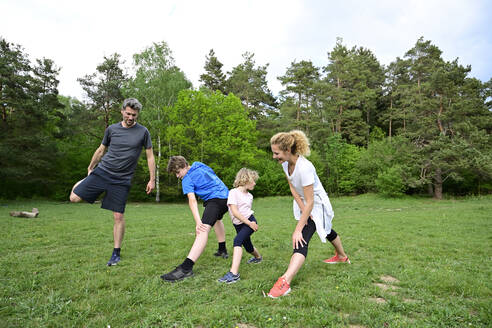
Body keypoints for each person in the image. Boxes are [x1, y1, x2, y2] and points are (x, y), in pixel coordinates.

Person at [69, 98, 155, 266]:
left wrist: (152, 180)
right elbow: (101, 150)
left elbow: (150, 156)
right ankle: (86, 180)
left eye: (134, 115)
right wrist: (90, 167)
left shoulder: (143, 132)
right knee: (74, 198)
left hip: (122, 180)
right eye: (128, 114)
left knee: (118, 216)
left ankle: (116, 253)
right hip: (102, 172)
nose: (131, 117)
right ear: (122, 111)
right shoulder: (112, 129)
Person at [267, 130, 350, 298]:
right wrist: (302, 207)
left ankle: (285, 281)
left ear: (287, 150)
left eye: (276, 153)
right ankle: (342, 256)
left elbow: (311, 201)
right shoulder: (285, 164)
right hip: (304, 202)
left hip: (317, 203)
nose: (274, 156)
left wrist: (298, 227)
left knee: (301, 236)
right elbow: (292, 186)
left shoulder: (305, 168)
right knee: (325, 229)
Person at [161, 156, 229, 282]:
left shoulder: (186, 179)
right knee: (217, 220)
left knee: (203, 230)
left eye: (177, 172)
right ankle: (222, 250)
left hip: (215, 200)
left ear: (184, 166)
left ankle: (186, 269)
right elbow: (213, 174)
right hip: (227, 197)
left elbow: (192, 201)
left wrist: (198, 222)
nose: (177, 176)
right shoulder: (199, 164)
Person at [218, 168, 262, 284]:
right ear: (246, 180)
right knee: (248, 247)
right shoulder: (233, 193)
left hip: (250, 222)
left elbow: (245, 212)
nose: (255, 183)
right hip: (241, 224)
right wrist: (249, 223)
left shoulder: (250, 196)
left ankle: (233, 274)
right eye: (253, 181)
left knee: (237, 241)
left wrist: (250, 223)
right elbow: (235, 211)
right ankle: (258, 258)